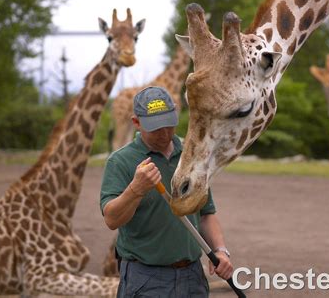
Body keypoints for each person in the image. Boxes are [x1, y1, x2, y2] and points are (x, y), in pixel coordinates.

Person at [100, 86, 233, 297]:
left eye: (169, 125)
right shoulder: (120, 161)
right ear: (136, 122)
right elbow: (111, 219)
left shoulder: (190, 155)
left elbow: (206, 213)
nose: (164, 134)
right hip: (145, 279)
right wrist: (136, 189)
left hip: (192, 277)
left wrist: (220, 250)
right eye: (155, 128)